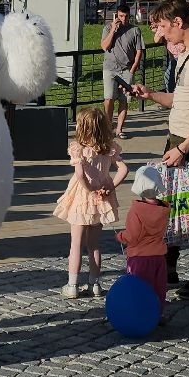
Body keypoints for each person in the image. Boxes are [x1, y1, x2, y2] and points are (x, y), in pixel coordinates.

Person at [128, 0, 189, 300]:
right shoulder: (186, 54)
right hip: (177, 141)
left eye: (164, 27)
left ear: (179, 23)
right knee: (171, 208)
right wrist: (152, 94)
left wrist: (185, 148)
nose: (162, 34)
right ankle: (168, 267)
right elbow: (180, 100)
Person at [53, 107, 128, 298]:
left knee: (76, 244)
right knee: (94, 245)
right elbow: (123, 169)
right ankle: (94, 284)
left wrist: (88, 190)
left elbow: (79, 174)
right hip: (100, 199)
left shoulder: (78, 148)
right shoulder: (108, 147)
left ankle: (72, 285)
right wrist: (109, 187)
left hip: (81, 198)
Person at [117, 164, 171, 302]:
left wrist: (120, 236)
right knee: (158, 288)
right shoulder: (164, 209)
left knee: (139, 289)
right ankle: (158, 313)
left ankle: (141, 315)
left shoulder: (136, 210)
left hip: (139, 258)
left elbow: (133, 236)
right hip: (159, 256)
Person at [100, 7, 143, 138]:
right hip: (110, 68)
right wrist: (113, 30)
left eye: (126, 16)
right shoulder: (108, 28)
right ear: (116, 16)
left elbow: (139, 50)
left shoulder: (135, 30)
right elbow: (104, 46)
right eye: (121, 16)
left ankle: (119, 129)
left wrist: (133, 68)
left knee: (124, 100)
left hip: (126, 69)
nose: (123, 19)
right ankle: (108, 127)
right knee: (109, 99)